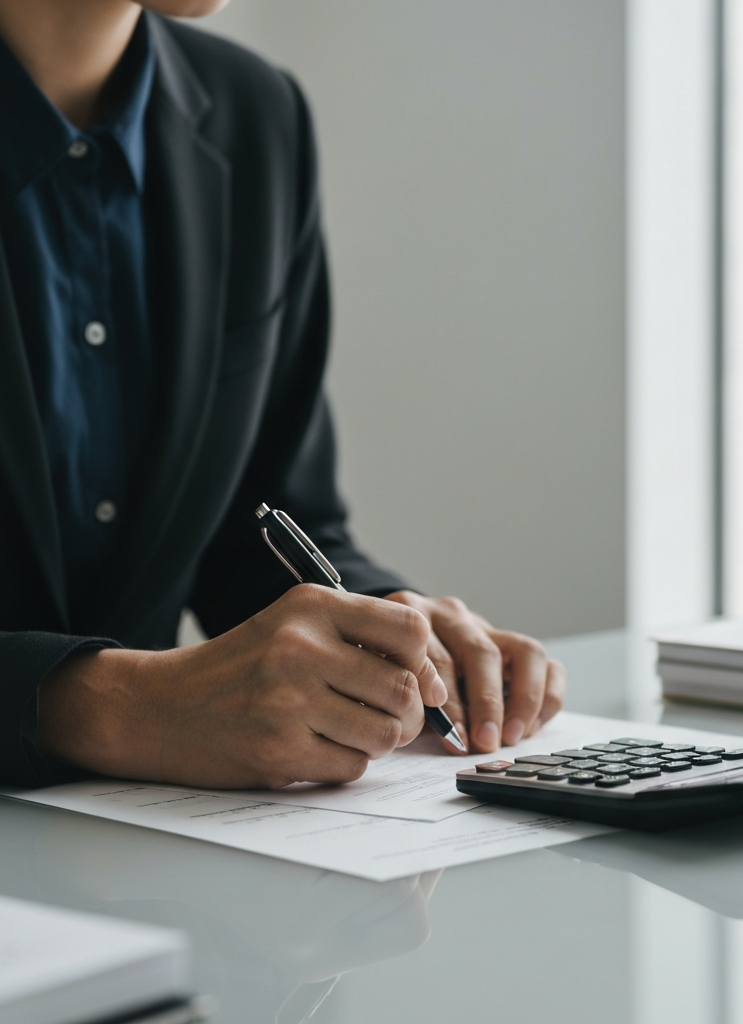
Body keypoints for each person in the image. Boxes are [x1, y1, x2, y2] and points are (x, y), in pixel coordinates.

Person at [0, 0, 565, 789]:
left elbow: (262, 525)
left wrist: (381, 630)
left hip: (136, 863)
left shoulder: (255, 114)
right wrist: (111, 705)